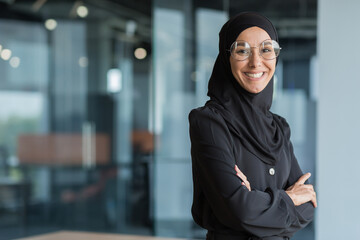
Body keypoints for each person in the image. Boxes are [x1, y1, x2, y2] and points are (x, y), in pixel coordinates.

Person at [188, 12, 317, 240]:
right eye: (242, 50)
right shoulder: (209, 122)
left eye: (266, 49)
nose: (256, 62)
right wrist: (288, 198)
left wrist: (256, 201)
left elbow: (307, 208)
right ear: (226, 57)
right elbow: (240, 211)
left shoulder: (279, 127)